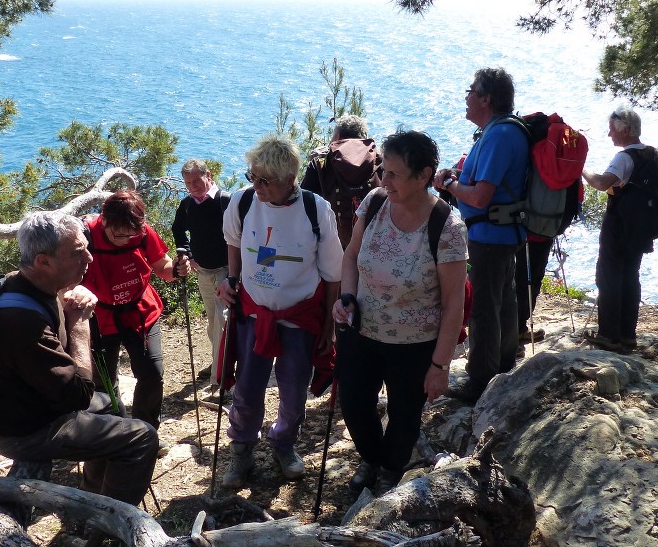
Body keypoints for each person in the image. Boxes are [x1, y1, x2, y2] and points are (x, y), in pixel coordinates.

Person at [0, 210, 158, 510]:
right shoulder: (21, 322)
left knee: (112, 405)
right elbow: (78, 394)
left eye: (86, 247)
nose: (89, 258)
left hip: (31, 406)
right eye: (77, 252)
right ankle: (111, 525)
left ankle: (94, 495)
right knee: (142, 437)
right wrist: (79, 323)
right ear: (43, 261)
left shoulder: (24, 285)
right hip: (24, 431)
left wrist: (72, 293)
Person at [334, 130, 468, 494]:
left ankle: (390, 469)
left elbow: (454, 302)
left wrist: (440, 366)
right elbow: (350, 256)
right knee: (355, 405)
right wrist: (346, 296)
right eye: (383, 171)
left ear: (423, 176)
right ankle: (371, 457)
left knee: (404, 416)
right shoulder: (375, 203)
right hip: (362, 330)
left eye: (393, 174)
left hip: (415, 344)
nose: (383, 180)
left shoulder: (447, 227)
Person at [216, 134, 343, 488]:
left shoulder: (316, 210)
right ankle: (241, 450)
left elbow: (333, 271)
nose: (256, 186)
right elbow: (234, 242)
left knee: (293, 389)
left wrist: (329, 329)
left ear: (290, 179)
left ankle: (284, 444)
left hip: (299, 318)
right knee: (247, 387)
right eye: (252, 177)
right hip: (253, 314)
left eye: (264, 180)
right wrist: (230, 278)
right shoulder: (242, 203)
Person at [432, 67, 528, 402]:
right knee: (503, 300)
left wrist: (448, 184)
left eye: (471, 91)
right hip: (503, 231)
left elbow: (479, 196)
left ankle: (481, 383)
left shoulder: (499, 136)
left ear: (486, 98)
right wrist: (459, 177)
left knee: (485, 309)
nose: (467, 97)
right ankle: (501, 369)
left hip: (491, 235)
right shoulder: (502, 131)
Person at [80, 190, 185, 431]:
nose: (126, 240)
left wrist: (177, 269)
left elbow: (163, 267)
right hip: (99, 317)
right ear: (104, 220)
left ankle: (144, 432)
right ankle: (115, 432)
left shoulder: (142, 232)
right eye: (119, 235)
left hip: (140, 311)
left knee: (151, 373)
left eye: (132, 235)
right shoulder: (86, 236)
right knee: (103, 383)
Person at [582, 105, 657, 352]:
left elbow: (603, 183)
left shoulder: (624, 157)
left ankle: (609, 335)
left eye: (612, 130)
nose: (609, 135)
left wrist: (582, 169)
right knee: (630, 277)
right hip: (641, 227)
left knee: (609, 276)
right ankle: (627, 335)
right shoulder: (651, 155)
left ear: (625, 130)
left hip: (619, 226)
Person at [172, 158, 231, 376]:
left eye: (197, 181)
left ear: (208, 175)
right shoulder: (188, 204)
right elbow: (178, 229)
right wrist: (188, 254)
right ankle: (219, 361)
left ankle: (221, 373)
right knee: (212, 321)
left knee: (222, 321)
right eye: (188, 183)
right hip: (203, 271)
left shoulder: (225, 201)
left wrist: (236, 272)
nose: (193, 187)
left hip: (225, 269)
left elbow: (239, 236)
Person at [300, 113, 383, 249]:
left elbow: (303, 206)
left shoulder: (321, 163)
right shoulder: (382, 162)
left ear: (337, 135)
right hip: (374, 249)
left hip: (330, 250)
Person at [516, 236, 553, 348]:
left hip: (542, 237)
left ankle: (520, 328)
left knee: (533, 283)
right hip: (527, 238)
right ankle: (515, 330)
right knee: (523, 283)